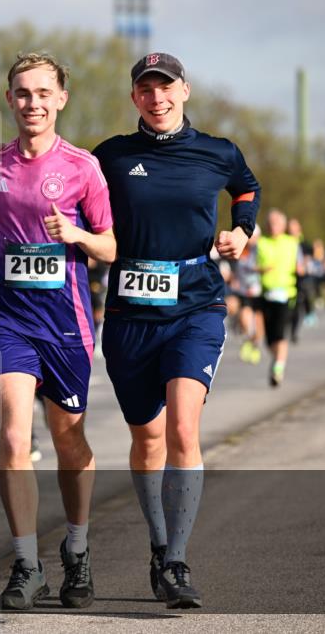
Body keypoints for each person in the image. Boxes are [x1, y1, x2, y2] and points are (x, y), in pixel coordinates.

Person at [0, 52, 116, 610]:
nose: (33, 103)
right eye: (23, 93)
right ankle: (25, 565)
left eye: (44, 93)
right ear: (9, 99)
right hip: (7, 317)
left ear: (61, 99)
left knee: (69, 441)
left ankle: (77, 548)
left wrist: (76, 234)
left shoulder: (84, 167)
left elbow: (111, 246)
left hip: (66, 322)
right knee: (16, 436)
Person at [93, 52, 260, 609]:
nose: (157, 98)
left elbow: (246, 189)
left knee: (184, 430)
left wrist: (242, 231)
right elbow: (66, 197)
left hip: (196, 306)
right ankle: (159, 543)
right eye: (145, 89)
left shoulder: (218, 152)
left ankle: (177, 562)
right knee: (147, 438)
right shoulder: (111, 157)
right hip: (128, 317)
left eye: (166, 88)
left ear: (185, 90)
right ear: (134, 97)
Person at [257, 209, 303, 387]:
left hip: (287, 294)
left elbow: (300, 265)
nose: (273, 226)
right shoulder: (261, 243)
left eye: (277, 223)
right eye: (270, 222)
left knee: (281, 333)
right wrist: (261, 270)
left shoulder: (292, 243)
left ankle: (278, 367)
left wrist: (301, 268)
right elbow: (252, 267)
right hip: (266, 294)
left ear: (284, 225)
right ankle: (277, 359)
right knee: (269, 339)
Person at [233, 226, 264, 364]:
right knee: (245, 316)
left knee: (258, 323)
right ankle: (247, 339)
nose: (251, 240)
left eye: (254, 237)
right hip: (244, 291)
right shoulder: (241, 250)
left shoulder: (261, 249)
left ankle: (255, 345)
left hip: (259, 291)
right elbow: (236, 268)